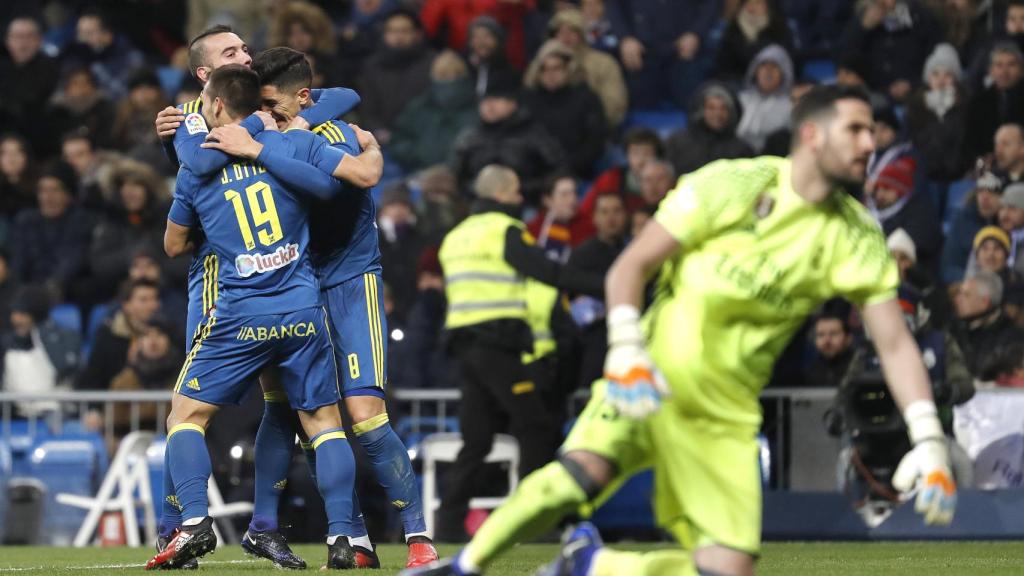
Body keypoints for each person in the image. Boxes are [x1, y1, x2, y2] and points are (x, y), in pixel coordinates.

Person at [404, 85, 957, 576]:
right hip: (649, 377)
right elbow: (630, 267)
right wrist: (625, 348)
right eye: (855, 129)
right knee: (577, 475)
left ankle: (596, 563)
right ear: (811, 134)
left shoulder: (856, 235)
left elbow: (894, 342)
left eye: (872, 131)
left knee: (730, 568)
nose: (869, 143)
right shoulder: (735, 184)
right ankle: (465, 566)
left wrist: (928, 436)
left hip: (725, 414)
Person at [149, 26, 381, 570]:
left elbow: (175, 234)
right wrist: (266, 132)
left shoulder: (227, 134)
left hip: (239, 299)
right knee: (321, 421)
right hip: (293, 302)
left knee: (189, 412)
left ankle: (205, 525)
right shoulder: (282, 135)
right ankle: (341, 535)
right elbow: (329, 187)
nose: (247, 56)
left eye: (246, 48)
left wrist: (252, 127)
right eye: (234, 53)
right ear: (204, 78)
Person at [204, 47, 439, 568]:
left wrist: (366, 155)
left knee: (366, 417)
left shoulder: (332, 136)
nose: (263, 115)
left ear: (303, 99)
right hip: (300, 288)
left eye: (271, 104)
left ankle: (420, 538)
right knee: (314, 418)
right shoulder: (263, 132)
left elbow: (351, 178)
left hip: (353, 285)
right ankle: (352, 539)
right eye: (257, 107)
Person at [434, 164, 604, 542]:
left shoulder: (455, 236)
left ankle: (447, 525)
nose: (520, 198)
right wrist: (607, 284)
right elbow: (548, 273)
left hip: (465, 347)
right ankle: (532, 522)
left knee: (477, 441)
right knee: (537, 427)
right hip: (497, 345)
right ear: (500, 194)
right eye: (514, 191)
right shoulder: (505, 231)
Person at [450, 79, 566, 204]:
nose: (489, 105)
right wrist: (478, 189)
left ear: (513, 103)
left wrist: (521, 189)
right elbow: (456, 176)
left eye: (497, 99)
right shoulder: (469, 137)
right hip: (478, 204)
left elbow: (558, 169)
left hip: (526, 203)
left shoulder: (534, 134)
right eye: (485, 100)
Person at [566, 192, 628, 390]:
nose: (611, 218)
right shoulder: (582, 255)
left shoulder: (633, 250)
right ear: (594, 217)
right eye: (604, 212)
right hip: (593, 339)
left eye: (616, 211)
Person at [521, 41, 607, 179]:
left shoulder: (586, 98)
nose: (550, 74)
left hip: (575, 171)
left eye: (557, 68)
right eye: (544, 69)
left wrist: (567, 166)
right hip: (534, 171)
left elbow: (595, 142)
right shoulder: (528, 98)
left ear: (568, 69)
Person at [390, 51, 478, 174]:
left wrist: (419, 153)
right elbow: (398, 142)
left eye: (453, 74)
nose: (449, 80)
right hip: (424, 175)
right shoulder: (419, 107)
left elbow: (398, 141)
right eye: (443, 75)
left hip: (436, 175)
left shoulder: (418, 106)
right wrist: (417, 153)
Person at [358, 8, 436, 143]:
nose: (399, 36)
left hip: (423, 139)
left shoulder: (432, 64)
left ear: (417, 34)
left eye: (405, 31)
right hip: (382, 140)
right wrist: (378, 131)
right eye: (393, 31)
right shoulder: (372, 67)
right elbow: (367, 110)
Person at [539, 9, 627, 128]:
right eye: (559, 32)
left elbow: (615, 106)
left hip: (594, 130)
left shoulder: (603, 63)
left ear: (582, 35)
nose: (565, 37)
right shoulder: (542, 62)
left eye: (572, 31)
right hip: (548, 133)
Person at [77, 279, 161, 392]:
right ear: (126, 305)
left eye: (155, 299)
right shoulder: (108, 337)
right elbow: (92, 380)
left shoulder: (170, 334)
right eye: (144, 300)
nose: (153, 305)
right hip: (115, 406)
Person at [666, 83, 753, 177]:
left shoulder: (742, 150)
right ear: (701, 111)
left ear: (731, 113)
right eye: (711, 108)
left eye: (723, 108)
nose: (717, 114)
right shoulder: (676, 143)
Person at [0, 17, 59, 154]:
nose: (23, 42)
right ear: (8, 41)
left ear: (39, 40)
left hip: (39, 136)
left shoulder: (52, 68)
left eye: (29, 36)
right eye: (18, 37)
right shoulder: (3, 67)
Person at [954, 271, 1024, 376]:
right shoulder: (956, 330)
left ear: (985, 302)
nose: (958, 299)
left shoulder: (1011, 340)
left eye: (966, 295)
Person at [941, 172, 1003, 284]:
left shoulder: (1009, 226)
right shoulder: (963, 221)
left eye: (992, 192)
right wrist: (974, 284)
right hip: (967, 286)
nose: (984, 197)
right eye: (980, 191)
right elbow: (948, 269)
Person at [714, 0, 796, 85]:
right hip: (738, 85)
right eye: (748, 3)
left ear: (767, 6)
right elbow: (722, 68)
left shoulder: (779, 29)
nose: (752, 8)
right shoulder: (733, 29)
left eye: (758, 3)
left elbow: (787, 63)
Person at [736, 44, 794, 153]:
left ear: (784, 73)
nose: (768, 71)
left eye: (774, 66)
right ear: (755, 71)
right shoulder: (741, 100)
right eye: (763, 66)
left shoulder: (790, 105)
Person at [805, 310, 856, 388]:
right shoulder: (809, 372)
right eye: (821, 335)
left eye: (833, 333)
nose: (827, 340)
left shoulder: (858, 369)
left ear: (848, 338)